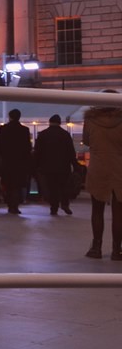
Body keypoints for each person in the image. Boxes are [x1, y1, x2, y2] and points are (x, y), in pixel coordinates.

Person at [81, 91, 122, 259]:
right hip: (119, 166)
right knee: (119, 212)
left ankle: (96, 247)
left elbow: (87, 140)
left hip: (98, 166)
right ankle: (117, 250)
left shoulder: (90, 120)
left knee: (97, 210)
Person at [34, 114, 78, 216]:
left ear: (50, 122)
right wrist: (75, 165)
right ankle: (65, 204)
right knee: (63, 186)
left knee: (52, 187)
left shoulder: (43, 134)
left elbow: (37, 152)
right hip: (63, 166)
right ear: (59, 123)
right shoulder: (65, 134)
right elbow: (71, 152)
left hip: (47, 166)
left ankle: (54, 208)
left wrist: (36, 166)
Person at [0, 108, 33, 215]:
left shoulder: (4, 129)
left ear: (10, 117)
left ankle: (10, 205)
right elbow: (28, 147)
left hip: (7, 161)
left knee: (8, 184)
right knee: (17, 185)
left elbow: (0, 146)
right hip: (20, 162)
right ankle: (15, 205)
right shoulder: (24, 130)